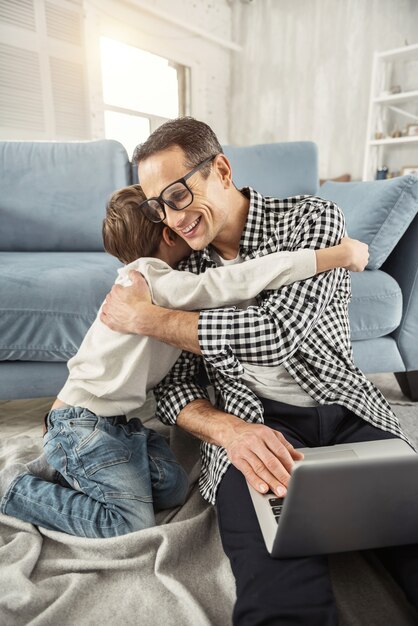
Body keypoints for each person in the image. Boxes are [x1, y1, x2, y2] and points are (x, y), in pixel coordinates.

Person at [99, 117, 418, 624]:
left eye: (178, 196)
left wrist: (150, 319)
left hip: (347, 404)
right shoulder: (181, 266)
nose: (172, 219)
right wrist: (230, 430)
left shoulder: (312, 221)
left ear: (220, 169)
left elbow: (276, 334)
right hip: (254, 423)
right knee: (278, 589)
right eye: (158, 205)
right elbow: (176, 388)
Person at [0, 184, 367, 540]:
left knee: (173, 489)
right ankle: (12, 489)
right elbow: (234, 281)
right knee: (128, 523)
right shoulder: (153, 280)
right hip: (80, 422)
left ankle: (67, 466)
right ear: (170, 235)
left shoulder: (154, 281)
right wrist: (333, 256)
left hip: (116, 424)